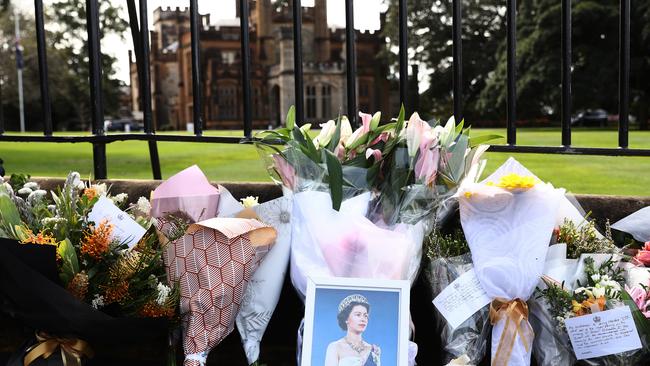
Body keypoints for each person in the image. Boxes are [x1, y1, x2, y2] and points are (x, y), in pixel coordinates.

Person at [324, 294, 381, 366]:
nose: (363, 319)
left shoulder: (373, 350)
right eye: (358, 315)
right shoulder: (335, 347)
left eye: (365, 316)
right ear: (346, 319)